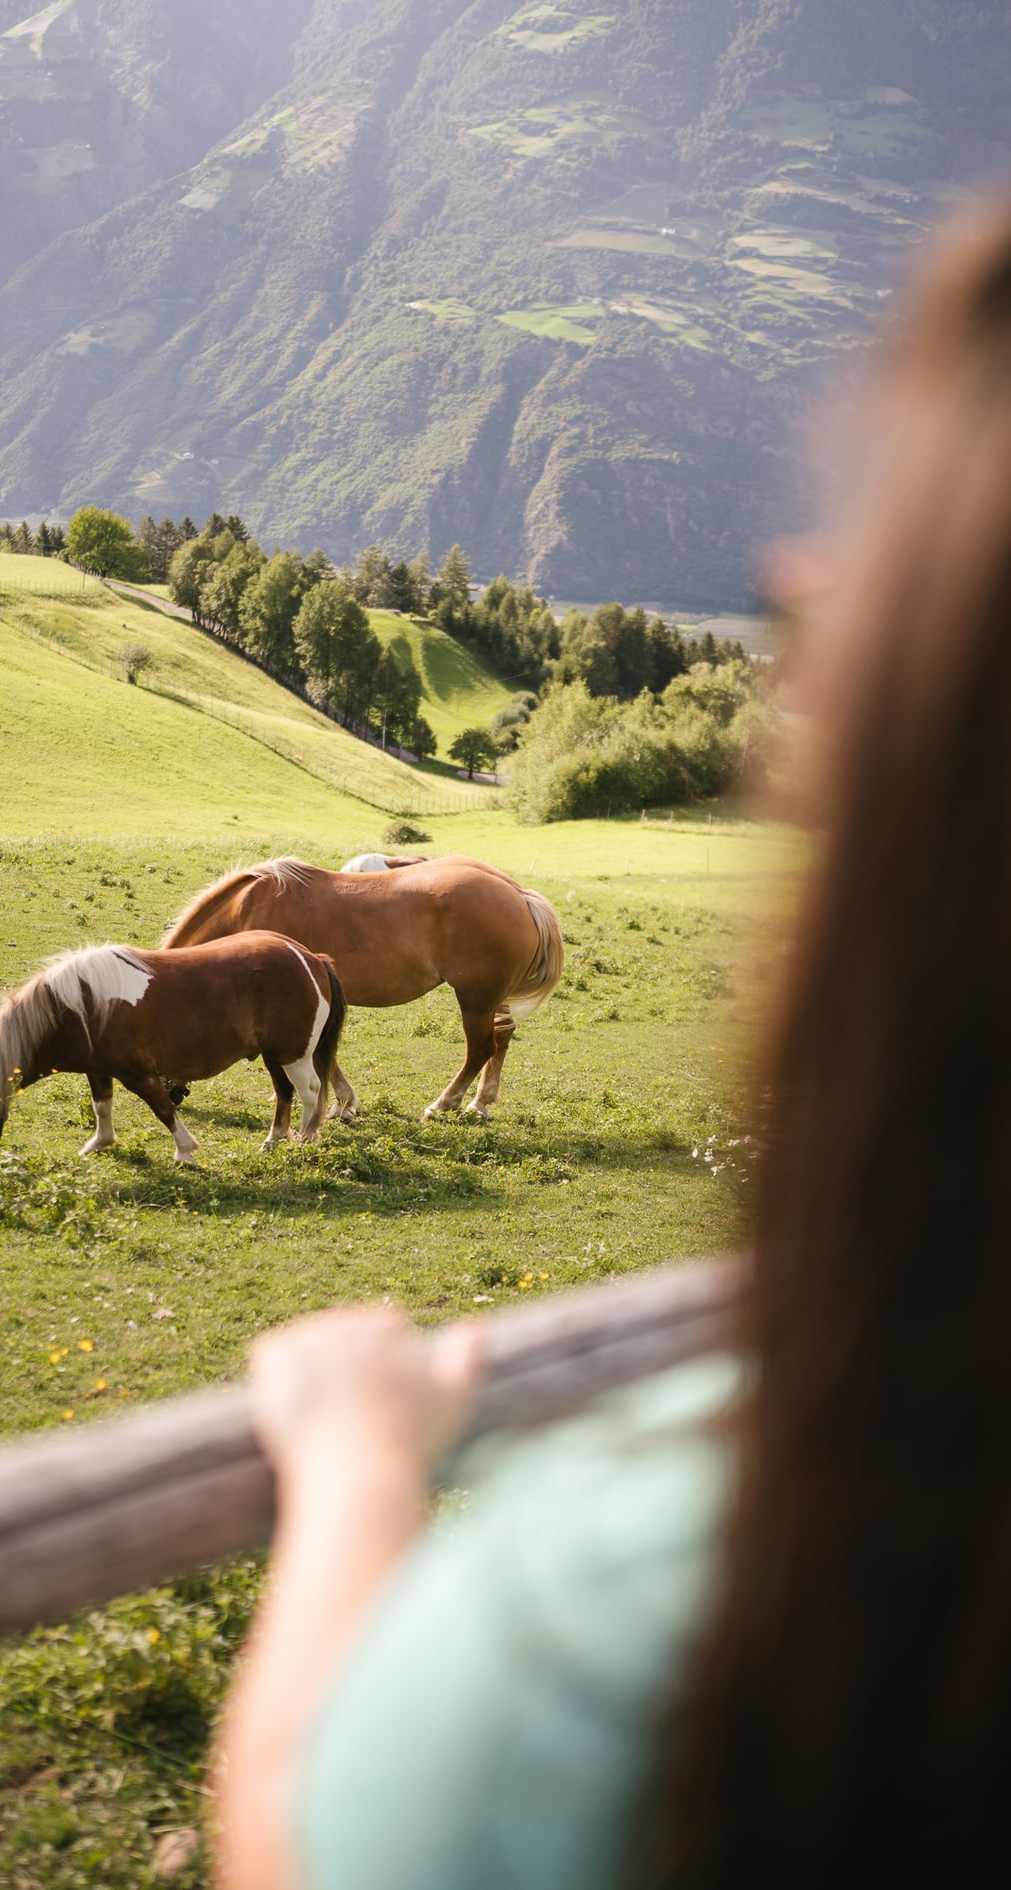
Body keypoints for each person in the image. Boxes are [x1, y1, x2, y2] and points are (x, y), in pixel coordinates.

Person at [209, 197, 1011, 1890]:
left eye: (871, 561)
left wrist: (354, 1471)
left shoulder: (636, 1618)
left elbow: (303, 1833)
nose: (795, 579)